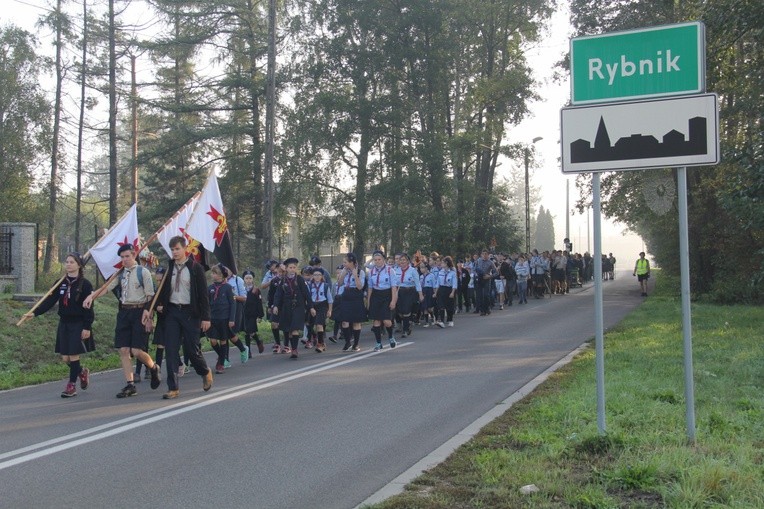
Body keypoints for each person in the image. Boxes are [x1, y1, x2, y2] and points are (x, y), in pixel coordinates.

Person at [84, 244, 161, 398]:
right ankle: (130, 384)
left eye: (127, 256)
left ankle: (153, 367)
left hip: (139, 311)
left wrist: (148, 314)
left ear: (134, 255)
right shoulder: (120, 273)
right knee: (124, 350)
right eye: (122, 257)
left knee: (137, 351)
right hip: (124, 312)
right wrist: (91, 296)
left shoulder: (143, 272)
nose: (124, 260)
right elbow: (106, 288)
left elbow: (150, 295)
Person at [24, 253, 94, 398]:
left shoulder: (85, 284)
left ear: (79, 265)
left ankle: (71, 386)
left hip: (78, 323)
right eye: (66, 262)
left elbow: (89, 308)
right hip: (64, 322)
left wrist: (87, 327)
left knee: (73, 355)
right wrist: (35, 313)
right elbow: (50, 301)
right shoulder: (60, 282)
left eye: (71, 262)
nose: (68, 264)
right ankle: (81, 372)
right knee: (65, 358)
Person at [155, 235, 214, 399]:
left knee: (191, 349)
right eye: (172, 249)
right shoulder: (169, 268)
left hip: (190, 314)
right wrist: (158, 305)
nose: (174, 252)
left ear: (185, 248)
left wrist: (206, 317)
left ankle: (204, 371)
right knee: (171, 349)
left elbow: (203, 295)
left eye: (177, 249)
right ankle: (173, 387)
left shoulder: (196, 268)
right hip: (173, 312)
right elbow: (163, 291)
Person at [208, 264, 249, 373]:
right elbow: (207, 303)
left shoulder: (227, 288)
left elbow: (233, 304)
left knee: (223, 340)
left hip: (224, 318)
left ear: (221, 275)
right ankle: (222, 356)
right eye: (212, 273)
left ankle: (222, 363)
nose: (212, 275)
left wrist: (231, 319)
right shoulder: (210, 288)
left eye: (214, 273)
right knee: (212, 341)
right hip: (213, 318)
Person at [272, 258, 315, 358]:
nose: (292, 269)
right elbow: (278, 294)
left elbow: (306, 294)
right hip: (286, 307)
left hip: (298, 307)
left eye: (294, 268)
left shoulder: (299, 279)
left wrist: (311, 307)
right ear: (286, 269)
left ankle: (295, 350)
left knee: (295, 328)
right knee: (289, 330)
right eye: (290, 267)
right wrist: (276, 306)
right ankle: (292, 347)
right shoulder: (283, 280)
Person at [367, 250, 398, 351]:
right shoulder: (371, 272)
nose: (377, 261)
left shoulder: (390, 270)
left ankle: (390, 337)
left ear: (383, 259)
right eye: (375, 260)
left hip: (387, 295)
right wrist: (369, 301)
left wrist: (393, 301)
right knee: (376, 321)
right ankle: (378, 343)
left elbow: (394, 287)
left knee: (387, 321)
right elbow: (370, 288)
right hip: (376, 295)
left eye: (379, 259)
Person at [337, 253, 366, 351]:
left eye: (345, 262)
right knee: (345, 321)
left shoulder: (360, 272)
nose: (344, 264)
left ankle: (356, 344)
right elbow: (340, 284)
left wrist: (355, 275)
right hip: (346, 295)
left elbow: (360, 287)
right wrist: (343, 274)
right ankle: (347, 342)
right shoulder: (344, 271)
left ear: (352, 262)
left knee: (356, 322)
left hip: (356, 296)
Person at [394, 252, 424, 337]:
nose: (402, 262)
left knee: (406, 311)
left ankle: (405, 330)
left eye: (404, 260)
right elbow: (394, 282)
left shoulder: (413, 271)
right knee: (400, 312)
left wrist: (420, 294)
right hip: (399, 292)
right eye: (401, 260)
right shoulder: (396, 270)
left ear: (408, 261)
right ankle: (408, 323)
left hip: (409, 292)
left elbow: (417, 283)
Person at [307, 267, 333, 352]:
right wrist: (311, 308)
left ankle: (320, 344)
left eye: (319, 275)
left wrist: (329, 310)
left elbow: (329, 299)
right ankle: (321, 342)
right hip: (313, 306)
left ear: (322, 276)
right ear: (312, 276)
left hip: (322, 306)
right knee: (312, 325)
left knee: (319, 325)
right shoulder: (310, 286)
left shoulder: (325, 286)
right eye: (315, 275)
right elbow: (308, 298)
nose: (317, 277)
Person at [242, 270, 265, 356]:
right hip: (244, 313)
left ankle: (257, 344)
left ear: (253, 279)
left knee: (250, 331)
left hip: (253, 313)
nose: (248, 280)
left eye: (250, 278)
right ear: (243, 279)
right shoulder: (242, 289)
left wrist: (260, 315)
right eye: (246, 278)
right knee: (247, 331)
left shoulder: (256, 290)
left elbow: (259, 302)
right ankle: (251, 349)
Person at [434, 256, 457, 327]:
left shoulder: (452, 273)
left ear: (446, 263)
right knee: (441, 305)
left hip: (449, 290)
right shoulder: (440, 272)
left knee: (449, 306)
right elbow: (437, 283)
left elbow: (454, 284)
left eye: (443, 262)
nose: (441, 264)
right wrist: (435, 292)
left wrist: (452, 292)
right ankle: (441, 321)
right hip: (441, 290)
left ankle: (450, 320)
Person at [474, 249, 497, 315]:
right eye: (483, 254)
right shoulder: (478, 261)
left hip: (487, 279)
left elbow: (496, 272)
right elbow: (474, 269)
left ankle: (487, 308)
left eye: (486, 254)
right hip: (479, 279)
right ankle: (482, 310)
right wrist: (476, 274)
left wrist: (489, 276)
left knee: (486, 295)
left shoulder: (490, 262)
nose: (484, 255)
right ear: (481, 255)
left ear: (488, 255)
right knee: (480, 295)